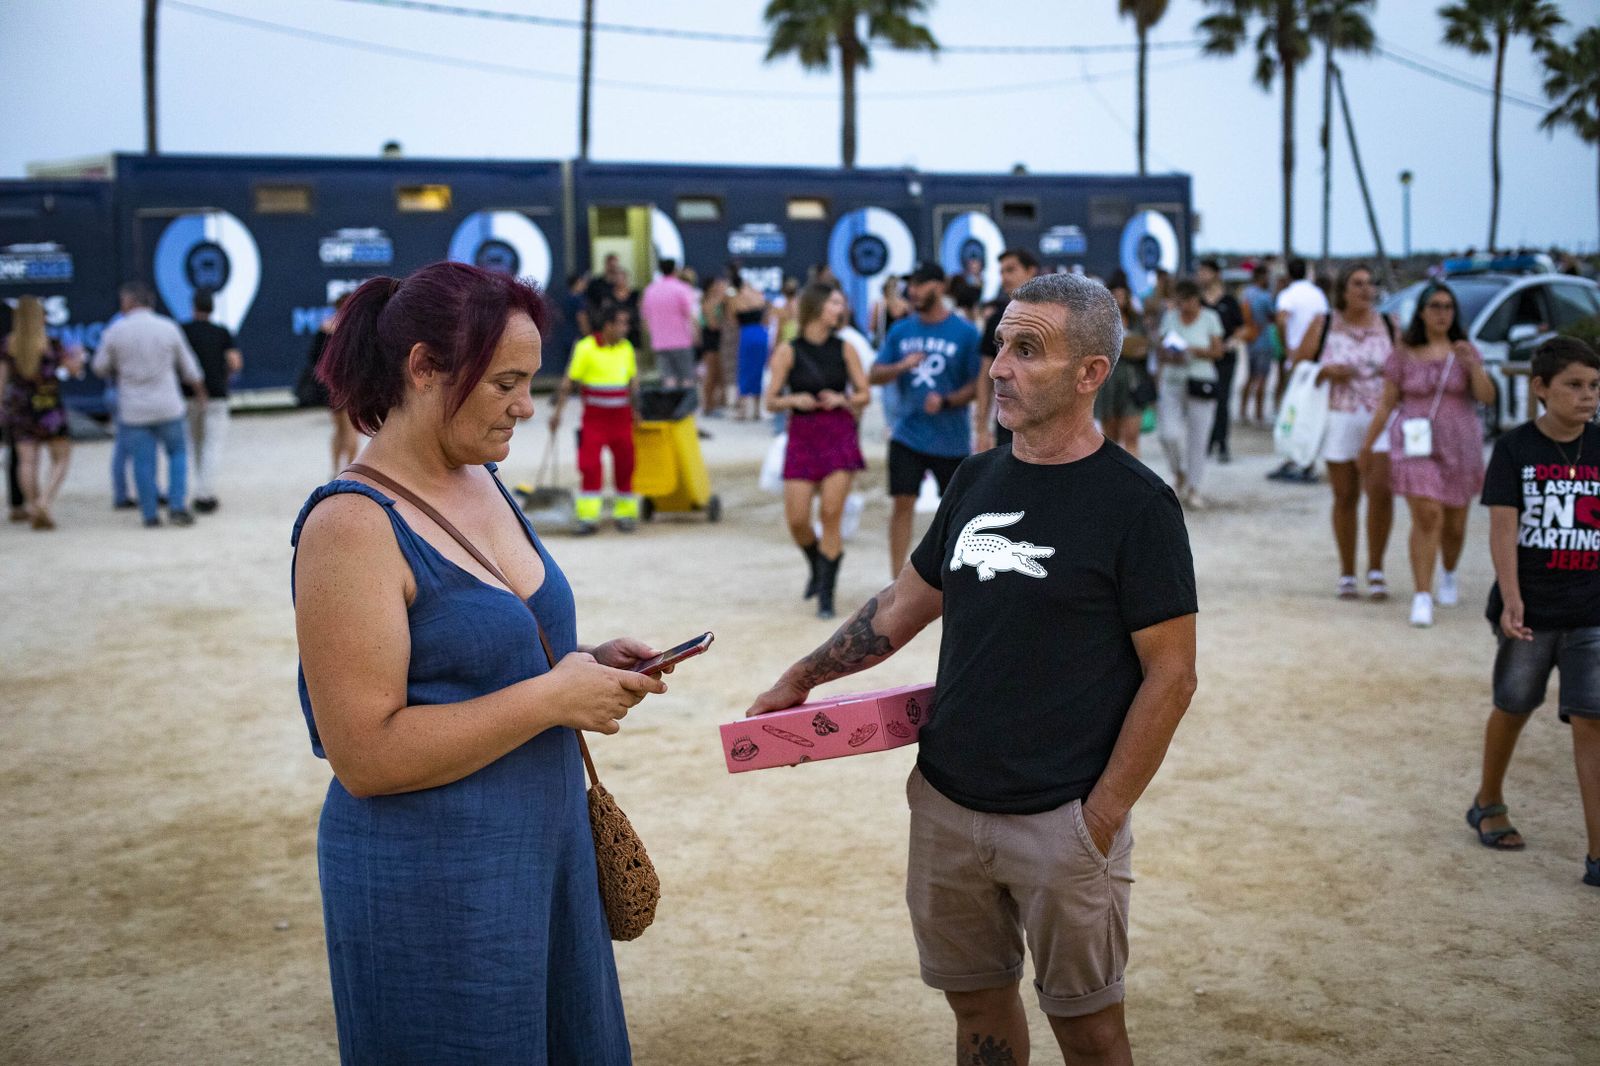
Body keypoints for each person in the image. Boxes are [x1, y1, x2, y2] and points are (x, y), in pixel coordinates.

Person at [748, 272, 1198, 1066]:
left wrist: (1095, 822)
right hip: (947, 807)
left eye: (1029, 350)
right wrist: (801, 679)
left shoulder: (1138, 506)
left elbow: (1172, 676)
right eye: (1001, 346)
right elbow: (901, 606)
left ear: (1091, 373)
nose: (999, 367)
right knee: (979, 1014)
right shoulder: (975, 479)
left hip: (1062, 820)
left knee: (1090, 1030)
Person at [292, 261, 665, 1062]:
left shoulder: (484, 477)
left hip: (548, 853)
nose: (526, 407)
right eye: (505, 383)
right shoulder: (351, 526)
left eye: (530, 381)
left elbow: (486, 648)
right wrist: (551, 700)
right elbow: (364, 754)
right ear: (423, 369)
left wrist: (585, 662)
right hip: (433, 884)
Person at [1469, 337, 1600, 887]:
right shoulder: (1515, 448)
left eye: (1594, 386)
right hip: (1531, 607)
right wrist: (1512, 594)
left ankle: (1598, 853)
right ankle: (1488, 798)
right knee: (1514, 703)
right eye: (1573, 385)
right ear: (1540, 387)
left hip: (1592, 608)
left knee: (1593, 719)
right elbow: (1504, 527)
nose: (1587, 396)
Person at [1359, 281, 1494, 627]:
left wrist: (1473, 365)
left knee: (1455, 521)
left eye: (1448, 307)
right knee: (1427, 514)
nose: (1442, 313)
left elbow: (1487, 396)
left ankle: (1448, 571)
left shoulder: (1465, 350)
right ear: (1421, 311)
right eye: (1435, 306)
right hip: (1414, 441)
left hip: (1459, 442)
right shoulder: (1403, 353)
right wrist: (1368, 444)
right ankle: (1422, 594)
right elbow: (1387, 401)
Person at [763, 283, 871, 619]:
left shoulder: (845, 348)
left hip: (838, 433)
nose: (841, 308)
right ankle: (817, 564)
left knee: (830, 514)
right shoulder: (788, 350)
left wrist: (844, 399)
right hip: (803, 435)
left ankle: (827, 594)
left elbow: (864, 393)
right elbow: (770, 400)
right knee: (796, 520)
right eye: (835, 302)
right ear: (817, 306)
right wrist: (794, 400)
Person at [870, 261, 982, 578]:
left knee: (956, 514)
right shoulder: (901, 329)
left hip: (951, 439)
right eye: (912, 285)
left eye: (921, 284)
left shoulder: (964, 333)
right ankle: (895, 579)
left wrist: (947, 400)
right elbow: (875, 374)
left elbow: (977, 385)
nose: (914, 291)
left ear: (940, 286)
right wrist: (902, 365)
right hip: (908, 434)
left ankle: (953, 577)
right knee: (902, 504)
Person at [1298, 263, 1397, 600]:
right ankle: (1347, 571)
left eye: (1370, 283)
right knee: (1345, 495)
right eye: (1357, 284)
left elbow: (1403, 368)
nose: (1365, 290)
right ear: (1343, 289)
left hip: (1382, 417)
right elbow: (1297, 363)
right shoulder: (1324, 323)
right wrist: (1325, 371)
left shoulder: (1389, 324)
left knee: (1381, 492)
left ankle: (1377, 567)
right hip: (1339, 416)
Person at [92, 282, 206, 528]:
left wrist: (119, 369)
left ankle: (149, 514)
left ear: (129, 302)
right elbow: (189, 367)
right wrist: (200, 393)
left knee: (143, 462)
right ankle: (177, 506)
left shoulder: (116, 331)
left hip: (134, 409)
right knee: (177, 454)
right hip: (168, 404)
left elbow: (99, 367)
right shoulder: (167, 327)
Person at [550, 304, 641, 534]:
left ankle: (625, 514)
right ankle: (588, 517)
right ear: (608, 325)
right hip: (595, 420)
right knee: (589, 466)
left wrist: (637, 412)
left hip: (622, 418)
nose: (626, 328)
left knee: (626, 465)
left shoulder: (627, 348)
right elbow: (568, 382)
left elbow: (632, 383)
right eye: (621, 323)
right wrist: (557, 414)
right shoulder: (586, 348)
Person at [0, 295, 84, 530]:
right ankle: (44, 501)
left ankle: (32, 504)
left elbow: (2, 381)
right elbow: (74, 370)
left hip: (19, 409)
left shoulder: (8, 345)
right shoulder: (51, 345)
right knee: (61, 458)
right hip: (49, 408)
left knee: (26, 461)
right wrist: (76, 357)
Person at [1155, 279, 1224, 508]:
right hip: (1173, 380)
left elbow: (1218, 351)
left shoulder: (1210, 318)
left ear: (1196, 300)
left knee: (1198, 437)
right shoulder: (1170, 317)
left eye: (1187, 301)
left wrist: (1192, 351)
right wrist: (1170, 354)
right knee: (1168, 434)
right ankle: (1179, 471)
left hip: (1200, 380)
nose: (1184, 306)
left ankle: (1194, 486)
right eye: (1180, 301)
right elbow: (1161, 349)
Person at [181, 290, 243, 513]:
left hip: (188, 395)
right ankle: (205, 493)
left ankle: (198, 487)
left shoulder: (183, 330)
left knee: (195, 444)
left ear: (193, 306)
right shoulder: (222, 332)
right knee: (212, 445)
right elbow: (235, 362)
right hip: (216, 394)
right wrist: (224, 376)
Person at [1269, 258, 1329, 482]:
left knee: (1291, 411)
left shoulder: (1288, 295)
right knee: (1308, 413)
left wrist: (1288, 347)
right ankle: (1304, 459)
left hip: (1297, 361)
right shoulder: (1317, 295)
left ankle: (1295, 458)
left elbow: (1282, 320)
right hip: (1316, 360)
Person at [976, 248, 1041, 451]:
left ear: (1031, 271)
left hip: (1048, 420)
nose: (1004, 278)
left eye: (1010, 270)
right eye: (1001, 272)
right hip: (1009, 423)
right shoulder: (996, 319)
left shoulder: (1054, 317)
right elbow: (986, 375)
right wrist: (981, 428)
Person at [304, 294, 364, 478]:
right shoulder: (356, 329)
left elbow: (314, 358)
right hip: (351, 383)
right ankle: (349, 471)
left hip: (331, 385)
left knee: (339, 429)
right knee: (352, 430)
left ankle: (336, 469)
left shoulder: (326, 327)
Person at [1095, 271, 1151, 459]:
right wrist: (1129, 346)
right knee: (1110, 441)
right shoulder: (1101, 322)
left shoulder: (1137, 320)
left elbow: (1143, 348)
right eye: (1115, 296)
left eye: (1122, 295)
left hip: (1132, 383)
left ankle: (1134, 485)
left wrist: (1123, 347)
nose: (1119, 300)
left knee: (1132, 437)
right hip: (1108, 382)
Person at [1198, 259, 1246, 464]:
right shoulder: (1198, 301)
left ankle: (1222, 443)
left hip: (1225, 358)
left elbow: (1242, 327)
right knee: (1204, 399)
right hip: (1203, 357)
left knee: (1223, 399)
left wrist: (1232, 341)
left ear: (1215, 274)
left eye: (1205, 272)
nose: (1201, 276)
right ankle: (1206, 441)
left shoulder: (1229, 301)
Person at [639, 259, 700, 392]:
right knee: (686, 378)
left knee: (668, 378)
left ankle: (670, 409)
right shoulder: (681, 289)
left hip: (660, 341)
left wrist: (653, 335)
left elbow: (645, 319)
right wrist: (697, 334)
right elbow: (690, 315)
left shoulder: (651, 290)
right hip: (681, 340)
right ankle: (685, 410)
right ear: (675, 270)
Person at [1239, 263, 1278, 425]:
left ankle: (1242, 411)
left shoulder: (1246, 294)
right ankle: (1259, 413)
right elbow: (1273, 315)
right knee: (1262, 378)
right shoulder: (1265, 296)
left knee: (1250, 377)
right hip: (1263, 341)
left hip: (1250, 341)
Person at [731, 274, 770, 421]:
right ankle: (756, 411)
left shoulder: (736, 299)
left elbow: (733, 319)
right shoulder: (758, 296)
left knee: (745, 370)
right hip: (761, 334)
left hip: (746, 335)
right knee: (758, 371)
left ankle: (742, 409)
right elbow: (766, 317)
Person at [699, 274, 728, 417]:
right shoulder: (709, 303)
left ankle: (713, 403)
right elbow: (712, 325)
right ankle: (707, 405)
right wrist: (724, 324)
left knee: (716, 374)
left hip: (715, 341)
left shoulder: (715, 301)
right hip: (710, 341)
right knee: (710, 375)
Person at [869, 274, 910, 348]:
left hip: (885, 344)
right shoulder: (906, 305)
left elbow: (872, 327)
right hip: (903, 344)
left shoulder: (879, 305)